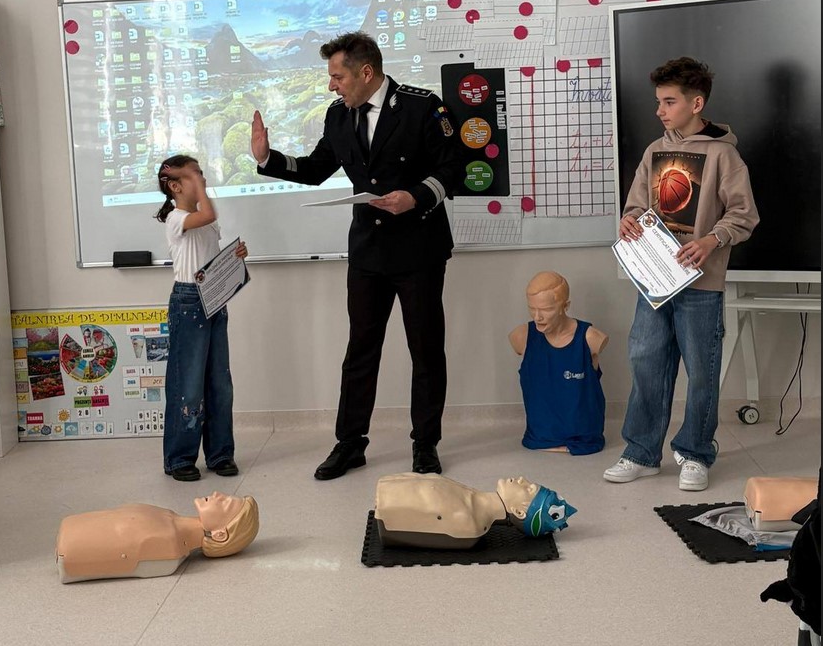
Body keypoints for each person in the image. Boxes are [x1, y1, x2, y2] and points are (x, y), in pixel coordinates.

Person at [250, 31, 465, 480]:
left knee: (426, 350)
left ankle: (425, 445)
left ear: (366, 72)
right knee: (361, 350)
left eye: (337, 76)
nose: (332, 85)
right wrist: (269, 159)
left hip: (419, 249)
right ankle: (350, 444)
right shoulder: (338, 115)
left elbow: (453, 168)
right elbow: (315, 168)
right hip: (368, 253)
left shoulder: (423, 107)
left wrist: (415, 196)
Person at [604, 57, 759, 491]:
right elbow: (636, 205)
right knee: (646, 363)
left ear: (696, 103)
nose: (660, 110)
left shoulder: (724, 155)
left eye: (669, 102)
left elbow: (744, 215)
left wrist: (710, 240)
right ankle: (641, 453)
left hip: (701, 282)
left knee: (702, 371)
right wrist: (629, 220)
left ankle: (695, 453)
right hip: (654, 281)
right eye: (658, 102)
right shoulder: (654, 151)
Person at [155, 154, 249, 481]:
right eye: (194, 175)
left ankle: (220, 453)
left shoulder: (204, 220)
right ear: (175, 186)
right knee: (188, 384)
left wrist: (234, 257)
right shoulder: (176, 218)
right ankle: (179, 457)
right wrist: (198, 187)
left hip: (213, 298)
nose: (202, 179)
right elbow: (207, 213)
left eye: (201, 174)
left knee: (219, 382)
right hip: (188, 302)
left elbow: (207, 255)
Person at [55, 491, 259, 583]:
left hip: (70, 546)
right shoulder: (168, 517)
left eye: (225, 503)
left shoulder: (169, 545)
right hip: (70, 534)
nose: (217, 494)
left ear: (220, 535)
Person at [508, 271, 608, 455]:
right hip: (538, 438)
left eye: (546, 309)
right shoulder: (522, 336)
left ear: (565, 306)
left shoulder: (591, 338)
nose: (537, 317)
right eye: (532, 308)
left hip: (585, 441)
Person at [374, 473, 576, 549]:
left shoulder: (468, 523)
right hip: (386, 489)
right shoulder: (469, 494)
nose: (523, 479)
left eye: (529, 489)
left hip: (386, 506)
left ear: (519, 512)